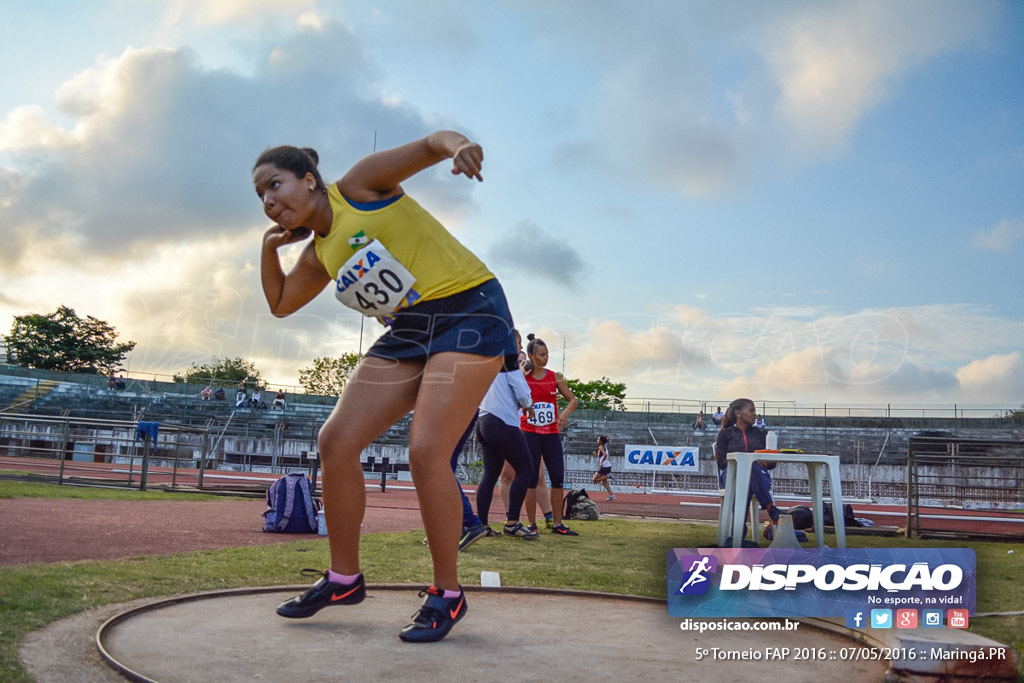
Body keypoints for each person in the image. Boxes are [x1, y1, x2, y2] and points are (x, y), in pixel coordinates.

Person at [257, 131, 515, 643]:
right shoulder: (319, 255)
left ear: (309, 180)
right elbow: (282, 303)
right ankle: (343, 579)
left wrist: (458, 148)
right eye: (260, 196)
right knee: (336, 440)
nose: (268, 201)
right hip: (410, 332)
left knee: (426, 452)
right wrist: (269, 248)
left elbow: (431, 144)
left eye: (275, 185)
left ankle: (448, 593)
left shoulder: (358, 185)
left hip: (469, 311)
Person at [474, 330, 540, 540]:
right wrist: (528, 405)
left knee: (490, 474)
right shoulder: (510, 362)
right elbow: (522, 393)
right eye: (519, 344)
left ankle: (482, 524)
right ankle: (512, 522)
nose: (521, 349)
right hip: (502, 422)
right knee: (526, 469)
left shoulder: (487, 361)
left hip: (483, 420)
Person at [521, 333, 578, 536]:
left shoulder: (554, 376)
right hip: (530, 433)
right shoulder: (524, 378)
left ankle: (557, 523)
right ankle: (530, 523)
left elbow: (573, 400)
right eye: (541, 354)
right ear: (531, 355)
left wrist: (564, 413)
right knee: (530, 479)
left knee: (557, 477)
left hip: (551, 434)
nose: (545, 358)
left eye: (547, 354)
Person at [714, 398, 781, 539]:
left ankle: (739, 530)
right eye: (751, 410)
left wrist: (766, 461)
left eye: (755, 411)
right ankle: (769, 506)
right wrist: (742, 463)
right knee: (746, 472)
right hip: (732, 476)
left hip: (758, 477)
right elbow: (721, 462)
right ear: (738, 413)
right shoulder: (726, 434)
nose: (754, 414)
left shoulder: (762, 434)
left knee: (752, 471)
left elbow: (772, 464)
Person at [592, 434, 615, 500]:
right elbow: (602, 456)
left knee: (594, 480)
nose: (597, 440)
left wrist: (601, 462)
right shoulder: (603, 447)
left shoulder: (601, 447)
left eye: (598, 439)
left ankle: (608, 476)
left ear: (601, 441)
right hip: (607, 466)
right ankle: (612, 495)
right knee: (604, 483)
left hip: (605, 466)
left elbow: (605, 455)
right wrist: (596, 455)